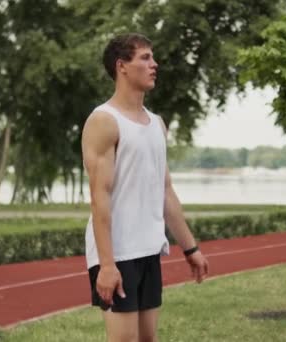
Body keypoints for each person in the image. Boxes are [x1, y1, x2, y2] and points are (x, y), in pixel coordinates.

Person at [81, 33, 210, 342]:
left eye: (153, 57)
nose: (155, 64)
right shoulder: (104, 121)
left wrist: (190, 248)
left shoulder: (156, 124)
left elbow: (165, 191)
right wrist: (107, 265)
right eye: (145, 58)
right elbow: (100, 199)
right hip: (118, 251)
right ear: (121, 66)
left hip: (148, 248)